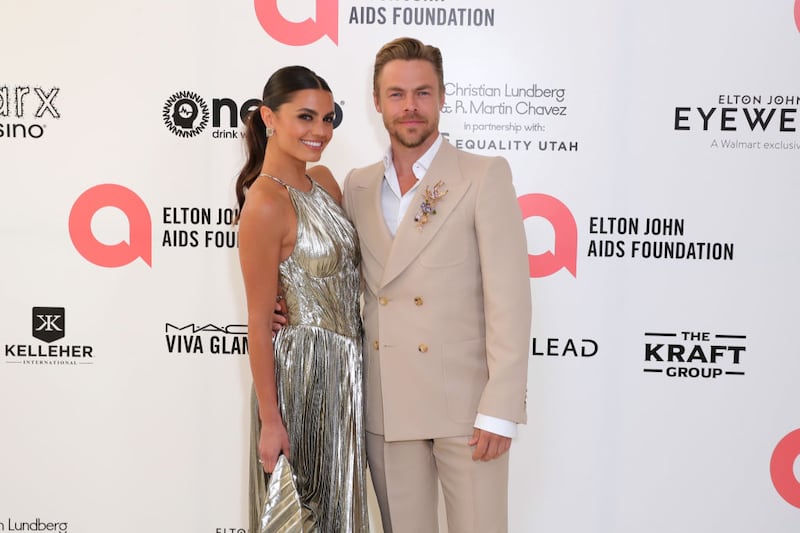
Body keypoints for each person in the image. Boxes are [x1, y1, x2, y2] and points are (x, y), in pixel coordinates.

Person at [341, 38, 531, 533]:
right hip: (388, 408)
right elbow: (341, 278)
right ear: (377, 102)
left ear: (444, 97)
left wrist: (501, 408)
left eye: (423, 93)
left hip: (467, 411)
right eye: (397, 94)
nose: (410, 107)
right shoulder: (356, 186)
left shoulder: (482, 175)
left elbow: (509, 299)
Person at [235, 65, 369, 533]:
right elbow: (256, 322)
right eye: (306, 117)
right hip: (300, 378)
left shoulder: (328, 183)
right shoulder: (265, 204)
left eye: (329, 119)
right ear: (269, 117)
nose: (320, 131)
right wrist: (270, 421)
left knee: (340, 513)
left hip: (348, 375)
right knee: (301, 517)